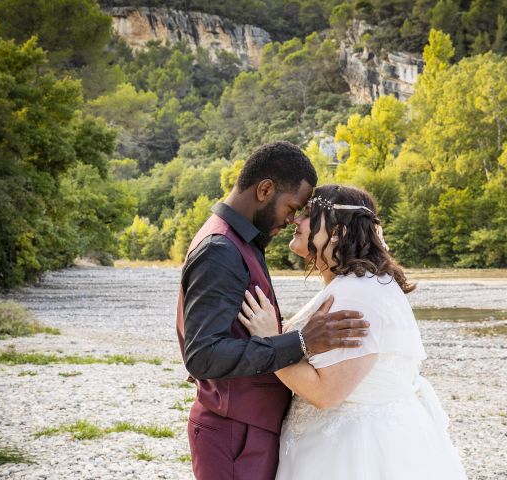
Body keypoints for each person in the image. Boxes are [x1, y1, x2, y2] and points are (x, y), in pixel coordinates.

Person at [239, 184, 468, 479]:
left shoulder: (357, 293)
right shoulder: (356, 284)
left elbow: (327, 393)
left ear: (337, 231)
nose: (296, 220)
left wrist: (269, 341)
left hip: (352, 452)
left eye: (309, 214)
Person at [175, 142, 370, 480]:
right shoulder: (220, 249)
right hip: (235, 434)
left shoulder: (241, 241)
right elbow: (202, 355)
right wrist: (300, 342)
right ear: (265, 190)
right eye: (292, 206)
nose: (294, 218)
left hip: (246, 430)